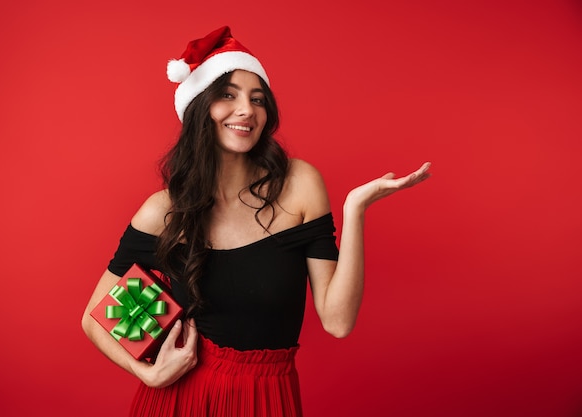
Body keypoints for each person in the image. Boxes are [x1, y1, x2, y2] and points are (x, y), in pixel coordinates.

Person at [81, 26, 431, 417]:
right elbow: (95, 318)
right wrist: (147, 374)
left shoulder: (298, 185)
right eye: (227, 95)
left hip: (268, 394)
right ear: (199, 108)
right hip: (183, 397)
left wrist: (354, 210)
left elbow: (338, 320)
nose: (247, 109)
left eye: (258, 98)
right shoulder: (166, 212)